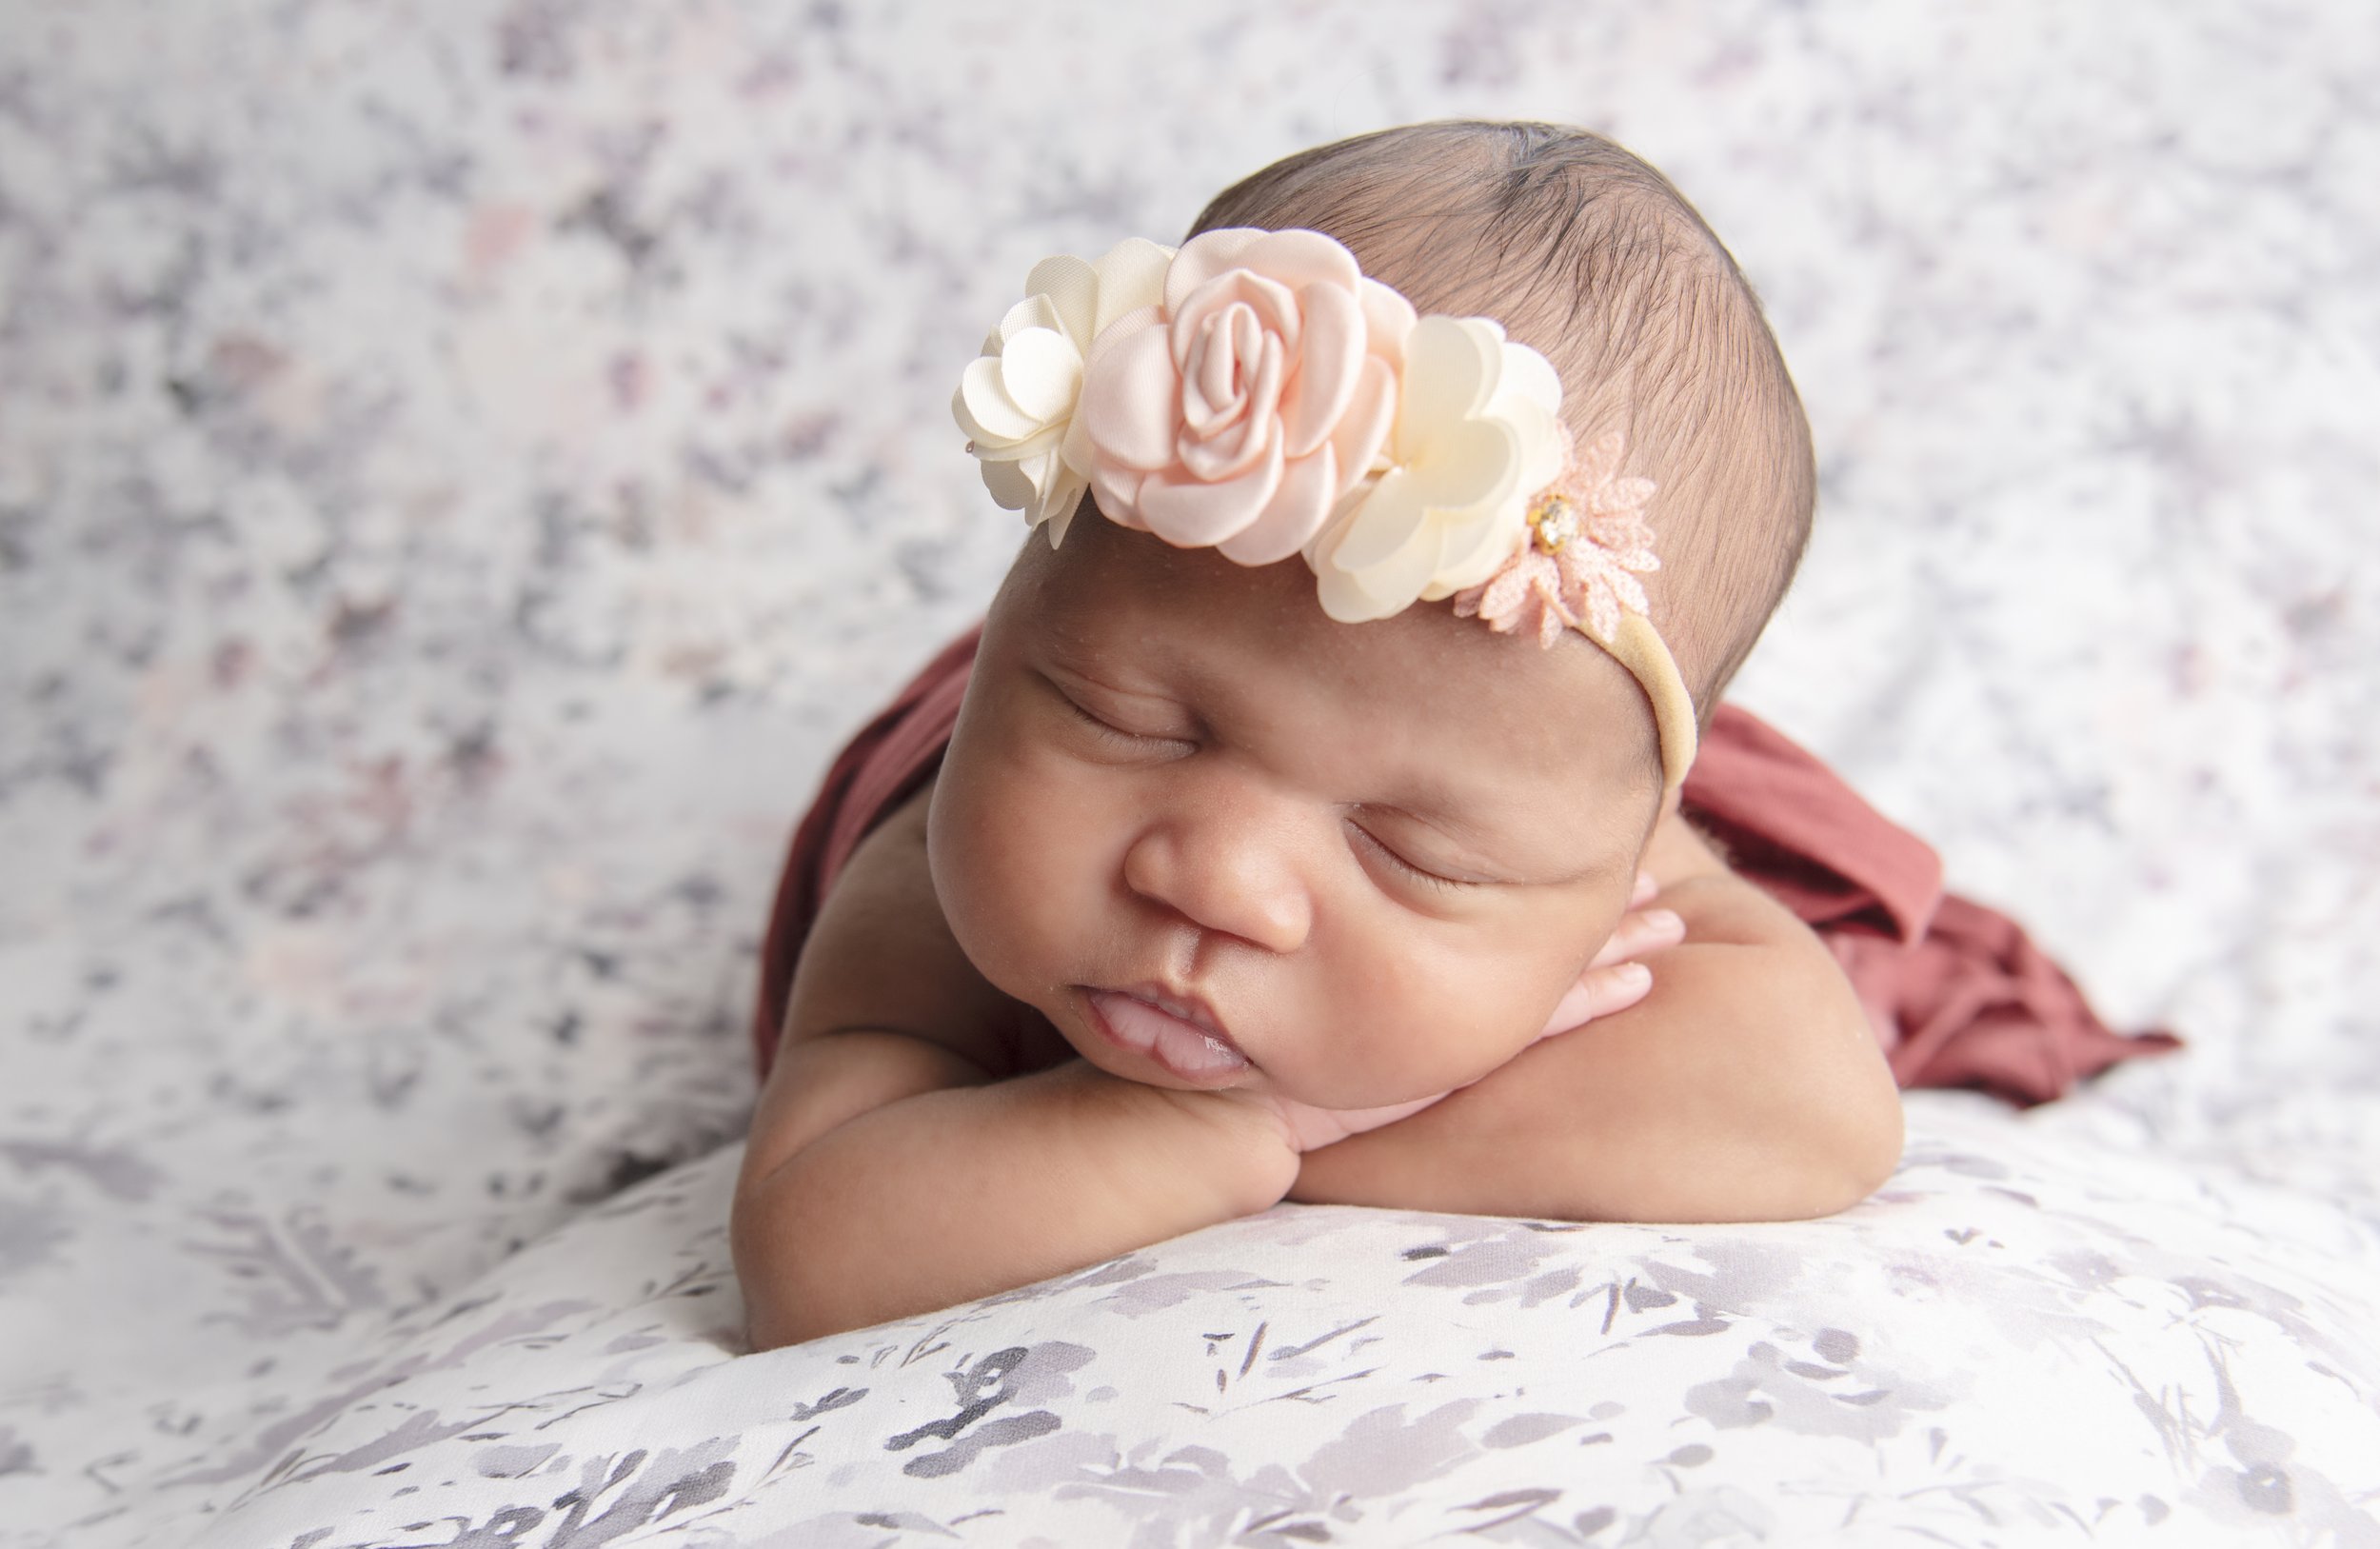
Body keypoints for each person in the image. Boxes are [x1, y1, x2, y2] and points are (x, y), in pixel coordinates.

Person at [729, 121, 2176, 1350]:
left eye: (1411, 851)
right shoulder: (937, 868)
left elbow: (1821, 1119)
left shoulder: (1562, 807)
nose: (1219, 878)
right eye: (1128, 721)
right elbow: (813, 1255)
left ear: (1617, 871)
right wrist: (1243, 1131)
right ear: (1013, 633)